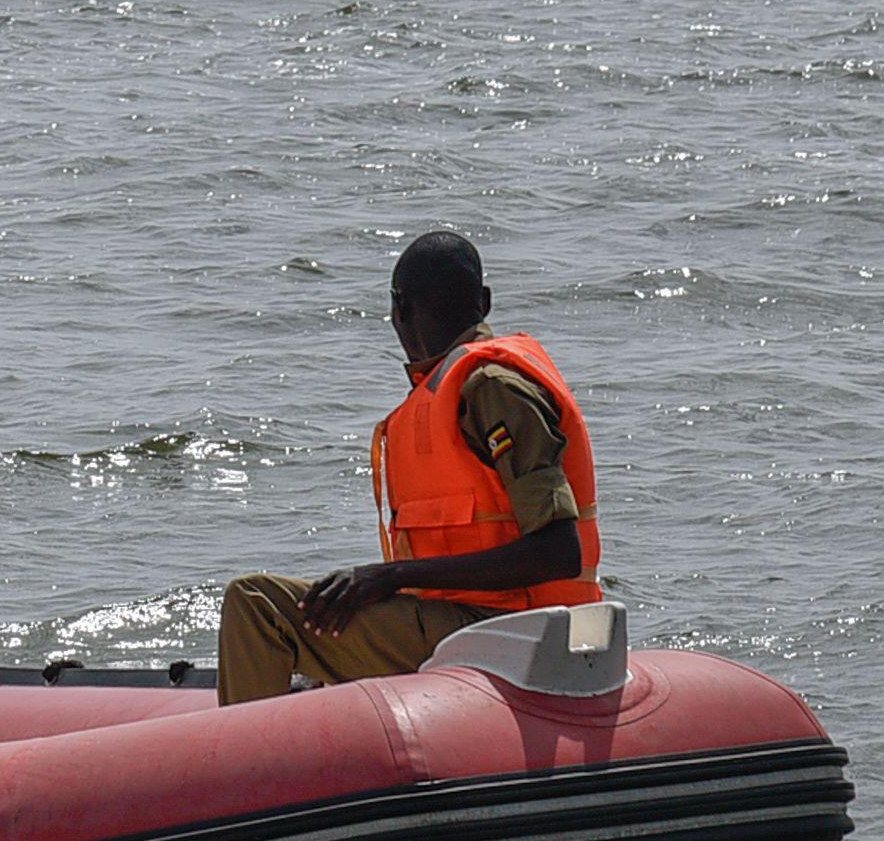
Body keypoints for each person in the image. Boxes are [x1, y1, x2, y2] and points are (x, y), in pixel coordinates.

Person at [216, 230, 601, 705]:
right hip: (480, 621)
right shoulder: (461, 386)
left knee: (256, 606)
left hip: (514, 629)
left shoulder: (491, 387)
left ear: (399, 311)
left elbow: (559, 551)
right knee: (324, 611)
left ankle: (247, 771)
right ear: (484, 301)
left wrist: (392, 576)